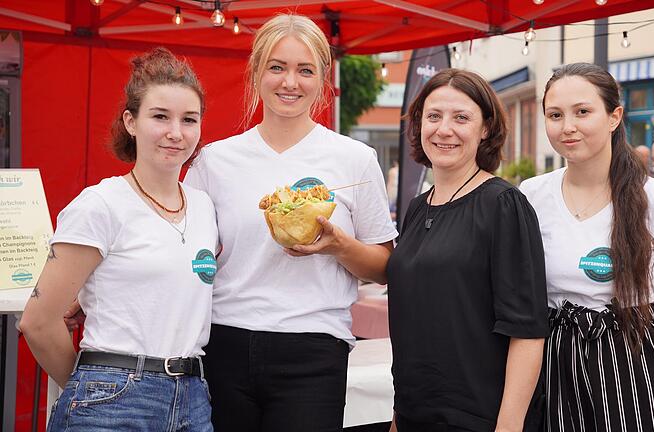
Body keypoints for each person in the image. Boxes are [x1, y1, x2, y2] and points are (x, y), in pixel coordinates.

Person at [183, 14, 397, 432]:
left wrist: (339, 246)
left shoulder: (353, 158)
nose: (289, 82)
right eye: (276, 67)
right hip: (225, 340)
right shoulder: (215, 159)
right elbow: (183, 246)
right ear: (257, 73)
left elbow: (385, 266)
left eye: (305, 70)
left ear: (323, 80)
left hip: (315, 348)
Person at [20, 47, 217, 431]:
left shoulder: (204, 206)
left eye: (189, 119)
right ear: (131, 121)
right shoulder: (102, 204)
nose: (176, 133)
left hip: (193, 398)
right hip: (113, 397)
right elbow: (38, 320)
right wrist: (89, 388)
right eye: (160, 116)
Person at [519, 62, 654, 431]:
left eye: (583, 112)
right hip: (560, 370)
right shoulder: (530, 194)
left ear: (613, 116)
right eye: (555, 115)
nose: (567, 126)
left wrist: (633, 363)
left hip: (642, 373)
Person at [386, 68, 549, 432]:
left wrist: (508, 426)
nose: (444, 129)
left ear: (485, 128)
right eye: (433, 116)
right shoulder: (417, 208)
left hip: (478, 417)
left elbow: (527, 330)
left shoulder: (504, 204)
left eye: (461, 117)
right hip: (415, 412)